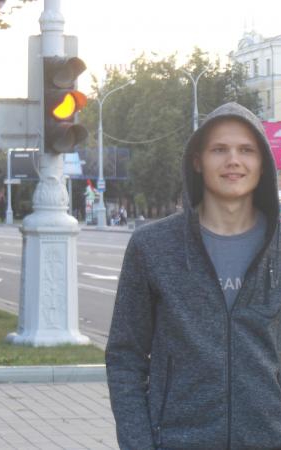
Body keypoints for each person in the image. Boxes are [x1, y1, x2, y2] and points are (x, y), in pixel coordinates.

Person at [105, 102, 281, 450]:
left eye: (246, 150)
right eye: (219, 149)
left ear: (263, 163)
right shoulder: (152, 247)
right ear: (197, 161)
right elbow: (125, 358)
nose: (233, 160)